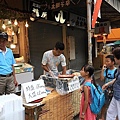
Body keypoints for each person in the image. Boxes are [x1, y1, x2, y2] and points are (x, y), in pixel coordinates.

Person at [102, 47, 120, 120]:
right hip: (116, 94)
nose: (114, 59)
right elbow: (117, 78)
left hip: (119, 95)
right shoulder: (119, 68)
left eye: (115, 58)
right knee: (110, 112)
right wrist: (108, 84)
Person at [99, 55, 117, 120]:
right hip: (106, 90)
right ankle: (102, 116)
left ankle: (116, 117)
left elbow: (116, 80)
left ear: (113, 62)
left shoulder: (116, 71)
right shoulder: (106, 70)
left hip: (114, 90)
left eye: (108, 61)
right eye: (105, 61)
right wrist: (102, 70)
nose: (106, 63)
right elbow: (101, 79)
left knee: (115, 105)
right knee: (104, 103)